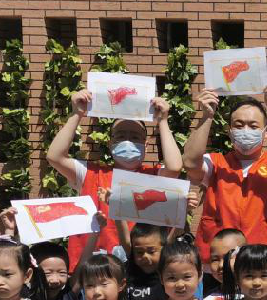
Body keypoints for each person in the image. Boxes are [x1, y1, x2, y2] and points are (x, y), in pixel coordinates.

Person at [46, 90, 182, 266]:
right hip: (95, 270)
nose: (128, 141)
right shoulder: (90, 173)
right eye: (120, 136)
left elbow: (174, 167)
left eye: (135, 137)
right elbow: (55, 157)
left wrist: (162, 121)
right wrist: (77, 114)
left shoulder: (155, 175)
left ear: (146, 145)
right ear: (110, 144)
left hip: (141, 268)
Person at [183, 86, 267, 263]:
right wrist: (207, 116)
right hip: (220, 264)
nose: (246, 130)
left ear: (266, 132)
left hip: (265, 264)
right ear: (229, 131)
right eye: (239, 125)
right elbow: (190, 163)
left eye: (253, 126)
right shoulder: (216, 162)